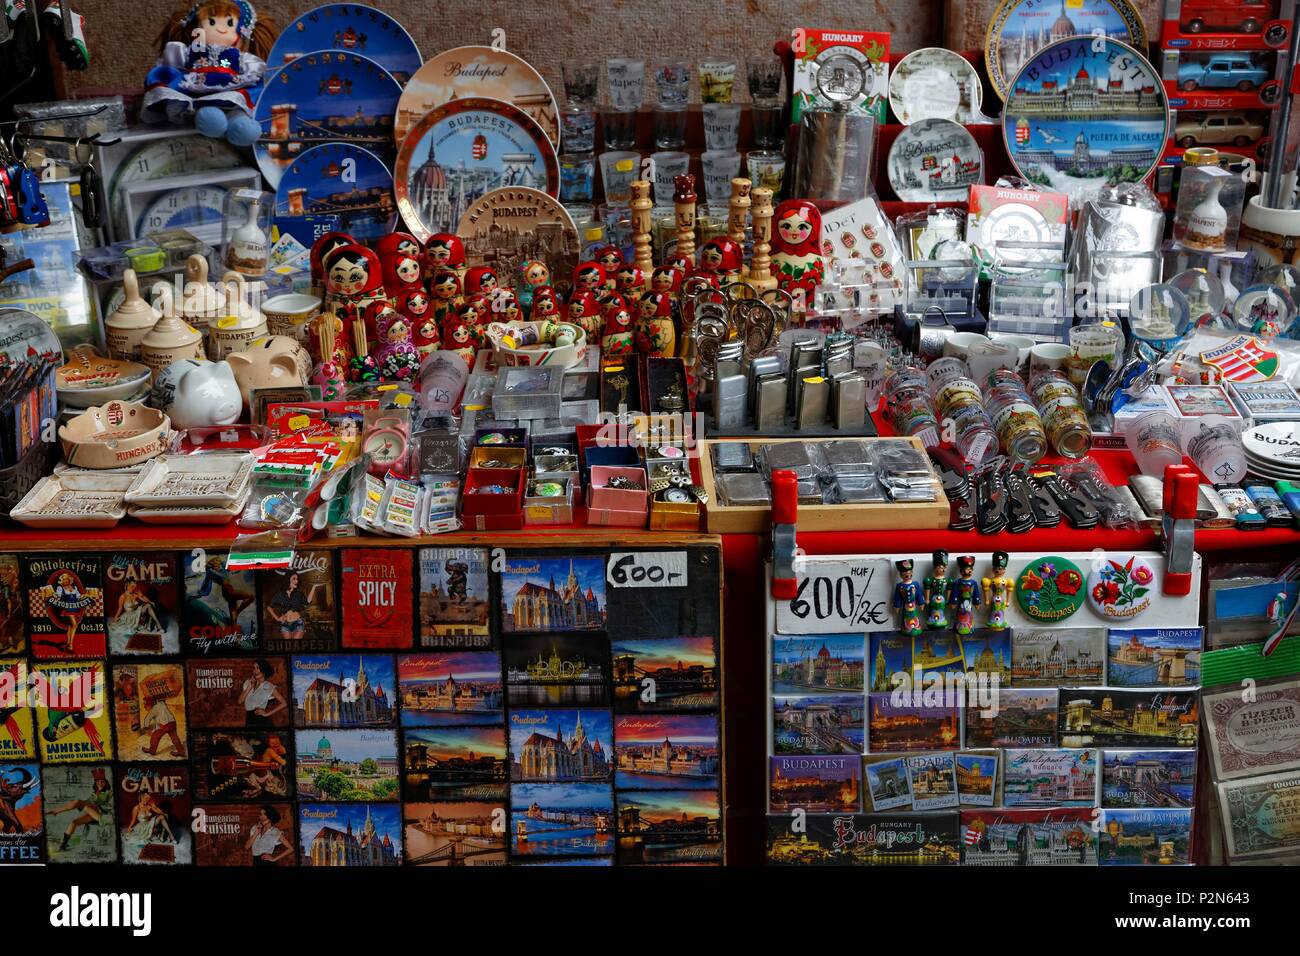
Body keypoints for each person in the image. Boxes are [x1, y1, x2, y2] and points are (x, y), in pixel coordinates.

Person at [47, 769, 112, 852]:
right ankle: (63, 845)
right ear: (95, 783)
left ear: (106, 783)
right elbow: (86, 803)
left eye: (102, 782)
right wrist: (81, 804)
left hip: (106, 817)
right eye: (98, 782)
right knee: (74, 822)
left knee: (80, 803)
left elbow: (99, 801)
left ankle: (56, 811)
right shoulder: (95, 794)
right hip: (96, 815)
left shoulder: (108, 793)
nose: (100, 783)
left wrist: (81, 804)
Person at [266, 572, 322, 644]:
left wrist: (314, 587)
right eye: (294, 579)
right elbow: (269, 607)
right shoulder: (280, 594)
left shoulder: (298, 593)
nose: (296, 581)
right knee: (289, 647)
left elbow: (307, 602)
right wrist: (277, 618)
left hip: (298, 623)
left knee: (295, 646)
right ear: (288, 580)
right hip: (285, 624)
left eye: (297, 579)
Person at [239, 659, 286, 727]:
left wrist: (267, 714)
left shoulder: (269, 686)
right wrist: (249, 687)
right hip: (249, 719)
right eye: (254, 668)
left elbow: (284, 703)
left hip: (262, 721)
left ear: (263, 670)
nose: (255, 670)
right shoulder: (248, 682)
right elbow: (240, 701)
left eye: (257, 668)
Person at [141, 691, 185, 757]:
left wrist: (146, 728)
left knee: (154, 737)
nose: (145, 707)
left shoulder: (154, 709)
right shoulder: (162, 704)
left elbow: (147, 718)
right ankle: (181, 751)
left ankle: (152, 751)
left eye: (146, 705)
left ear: (150, 704)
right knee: (174, 738)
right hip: (172, 723)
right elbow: (158, 720)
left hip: (164, 725)